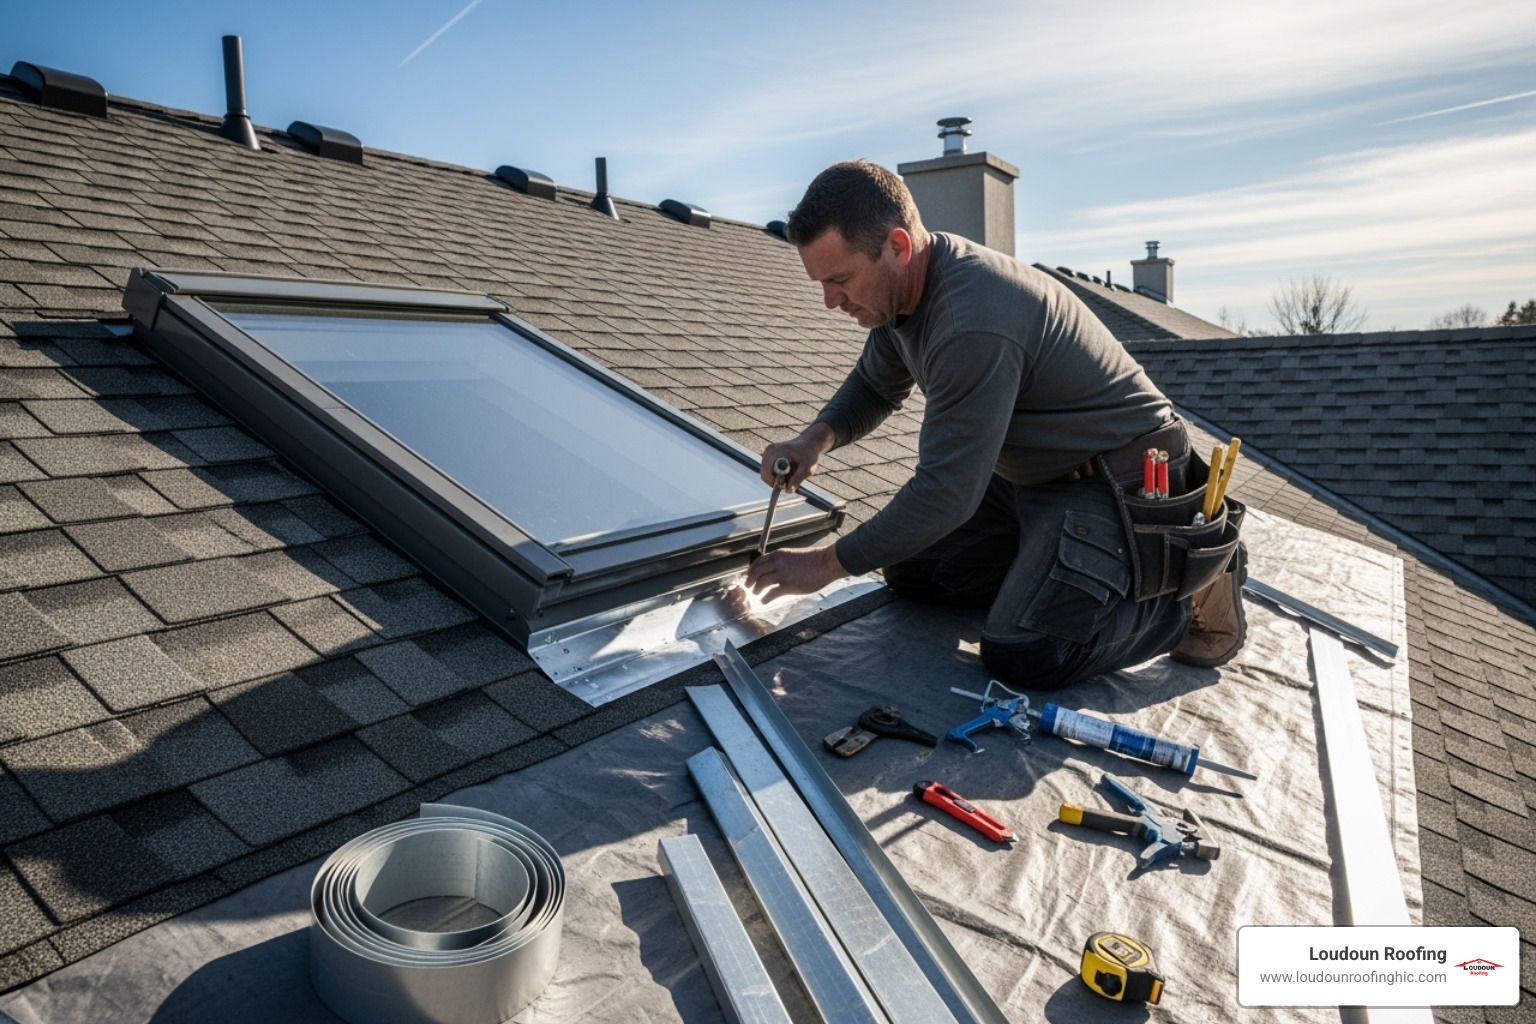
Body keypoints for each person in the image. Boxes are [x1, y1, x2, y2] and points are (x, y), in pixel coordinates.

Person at [744, 160, 1246, 689]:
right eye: (822, 283)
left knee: (1027, 651)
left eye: (841, 280)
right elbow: (876, 385)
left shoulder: (971, 317)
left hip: (1117, 483)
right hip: (1030, 478)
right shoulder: (900, 294)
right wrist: (813, 440)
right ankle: (1053, 576)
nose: (830, 302)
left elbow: (946, 492)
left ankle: (1188, 583)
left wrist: (823, 566)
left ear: (897, 246)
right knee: (916, 571)